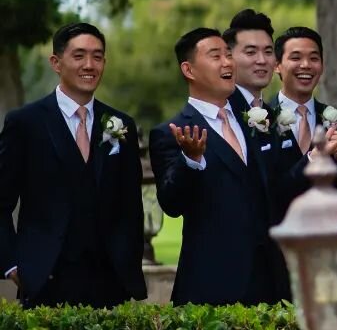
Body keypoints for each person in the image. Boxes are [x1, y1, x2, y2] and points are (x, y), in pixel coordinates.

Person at [0, 23, 146, 308]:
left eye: (98, 56)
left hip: (110, 283)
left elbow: (131, 206)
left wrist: (128, 262)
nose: (89, 65)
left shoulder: (120, 124)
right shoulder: (25, 123)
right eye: (79, 56)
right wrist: (11, 263)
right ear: (56, 62)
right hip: (45, 278)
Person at [149, 27, 287, 305]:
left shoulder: (258, 122)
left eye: (228, 54)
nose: (228, 63)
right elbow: (172, 204)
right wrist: (190, 160)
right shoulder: (172, 132)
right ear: (188, 70)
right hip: (212, 287)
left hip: (270, 286)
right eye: (216, 56)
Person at [269, 26, 337, 213]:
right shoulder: (260, 120)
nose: (306, 65)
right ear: (277, 64)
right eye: (296, 58)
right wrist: (313, 158)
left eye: (314, 58)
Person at [224, 8, 276, 115]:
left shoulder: (275, 119)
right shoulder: (220, 112)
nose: (262, 60)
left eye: (268, 52)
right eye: (251, 52)